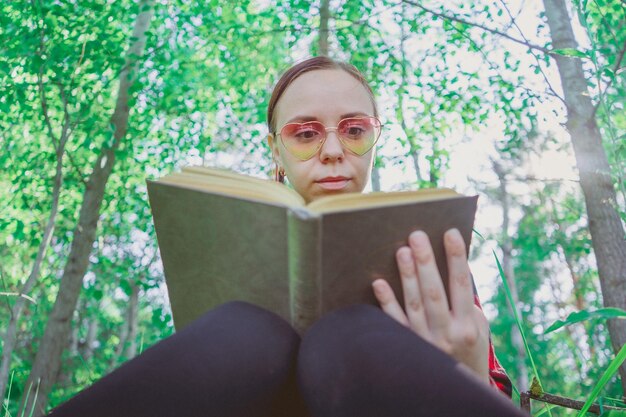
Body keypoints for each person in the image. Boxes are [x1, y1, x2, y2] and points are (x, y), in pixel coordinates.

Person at [47, 57, 527, 417]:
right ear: (275, 149)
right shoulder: (225, 249)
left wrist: (469, 372)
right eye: (304, 133)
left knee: (345, 337)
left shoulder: (424, 258)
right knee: (245, 331)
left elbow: (497, 390)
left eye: (355, 129)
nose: (335, 150)